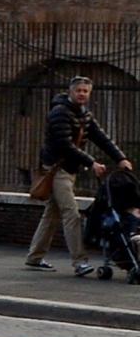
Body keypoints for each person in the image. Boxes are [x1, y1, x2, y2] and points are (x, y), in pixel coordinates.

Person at [27, 76, 130, 277]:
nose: (82, 94)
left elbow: (101, 138)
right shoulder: (60, 113)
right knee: (71, 213)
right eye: (79, 90)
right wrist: (91, 162)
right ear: (71, 91)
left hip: (68, 169)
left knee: (52, 214)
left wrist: (121, 158)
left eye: (86, 91)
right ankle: (80, 261)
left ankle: (35, 257)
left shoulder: (84, 114)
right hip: (57, 170)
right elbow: (65, 145)